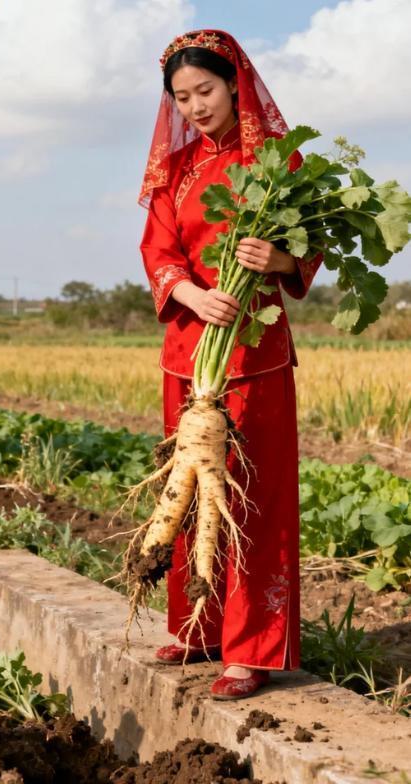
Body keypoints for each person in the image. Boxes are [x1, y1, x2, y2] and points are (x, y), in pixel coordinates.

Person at [139, 30, 322, 700]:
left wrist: (276, 262)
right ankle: (199, 628)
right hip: (187, 360)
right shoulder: (175, 170)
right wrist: (190, 293)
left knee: (251, 504)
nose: (193, 106)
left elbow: (309, 248)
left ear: (235, 83)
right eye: (180, 97)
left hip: (254, 358)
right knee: (186, 501)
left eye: (204, 91)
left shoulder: (279, 163)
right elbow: (157, 249)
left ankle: (251, 650)